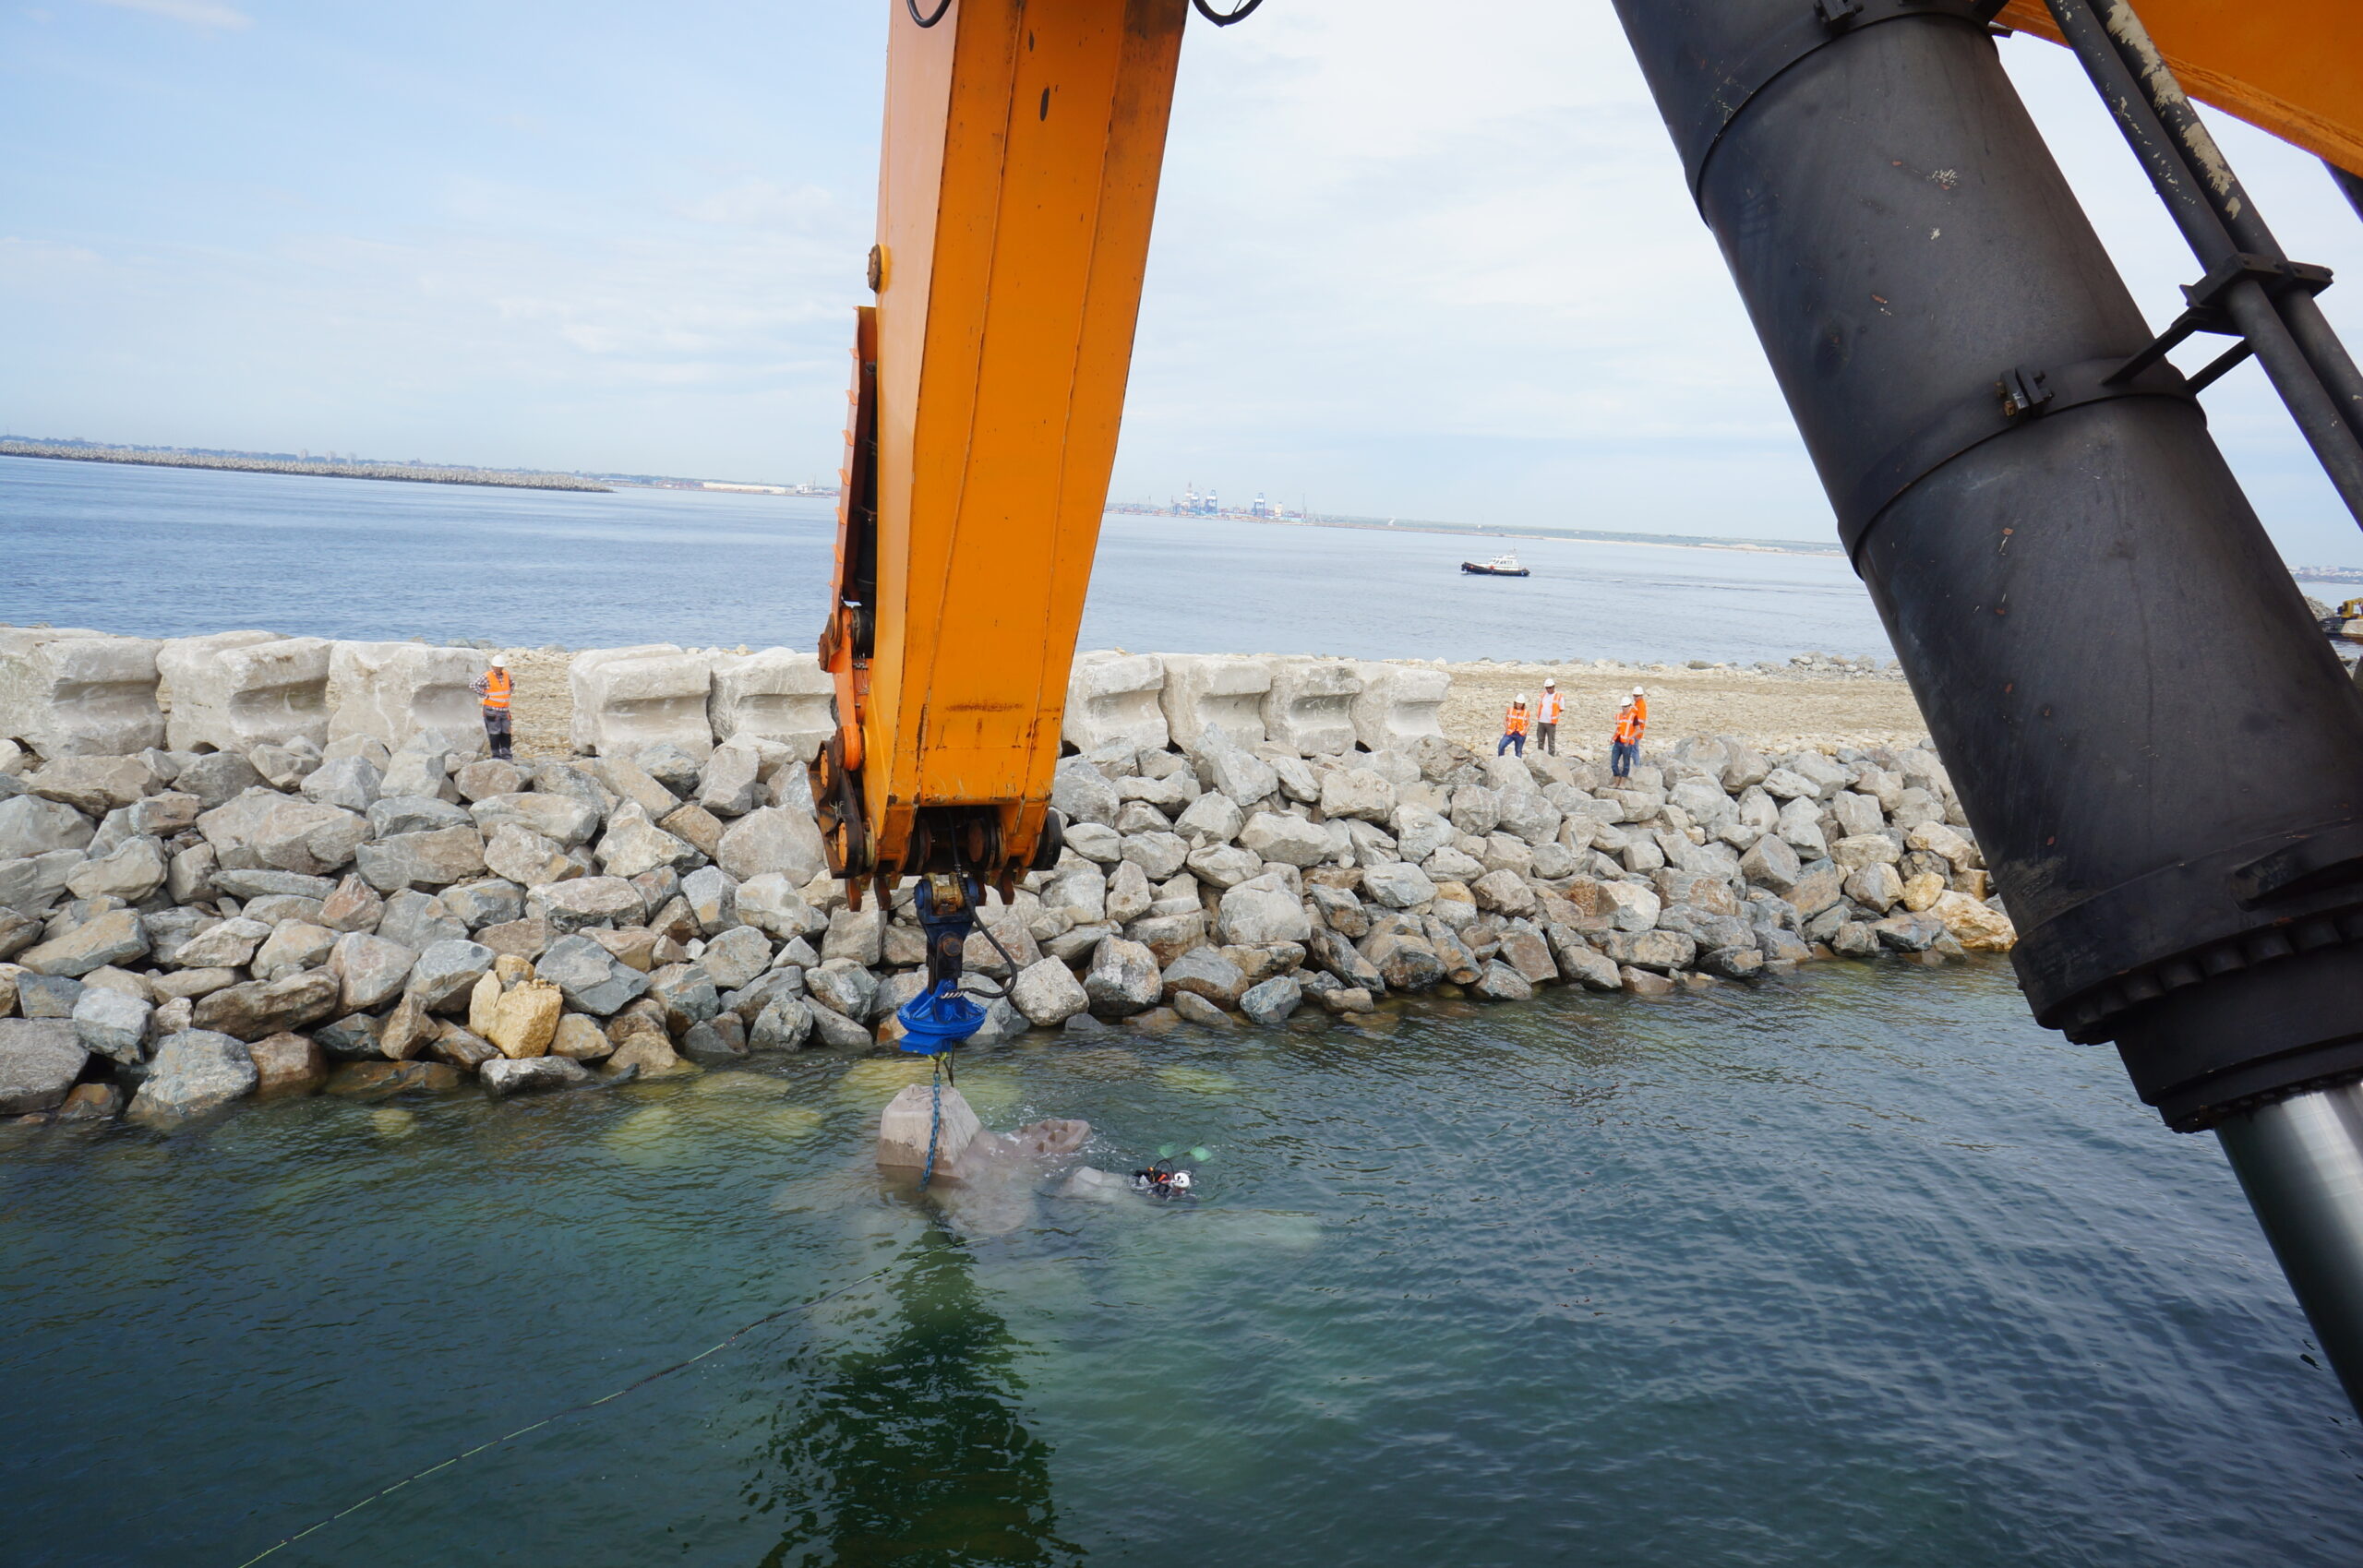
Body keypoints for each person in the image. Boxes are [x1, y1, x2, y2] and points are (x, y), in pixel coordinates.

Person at [471, 655, 514, 760]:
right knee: (494, 733)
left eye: (500, 667)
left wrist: (507, 695)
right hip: (492, 710)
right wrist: (485, 695)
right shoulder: (487, 676)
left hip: (504, 710)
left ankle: (506, 754)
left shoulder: (506, 675)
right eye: (497, 667)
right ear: (492, 666)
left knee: (506, 732)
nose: (498, 669)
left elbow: (512, 684)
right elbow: (473, 685)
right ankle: (496, 755)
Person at [1611, 685, 1647, 781]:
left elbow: (1640, 720)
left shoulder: (1641, 705)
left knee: (1634, 750)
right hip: (1628, 735)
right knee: (1632, 752)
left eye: (1636, 696)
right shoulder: (1637, 704)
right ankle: (1634, 766)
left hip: (1635, 732)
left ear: (1641, 695)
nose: (1634, 697)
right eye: (1634, 696)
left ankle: (1636, 766)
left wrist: (1634, 727)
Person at [1534, 678, 1563, 755]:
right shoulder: (1543, 695)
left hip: (1551, 722)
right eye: (1547, 688)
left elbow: (1561, 708)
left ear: (1553, 687)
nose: (1548, 689)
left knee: (1551, 741)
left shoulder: (1558, 696)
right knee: (1540, 739)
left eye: (1550, 688)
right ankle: (1540, 755)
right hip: (1541, 721)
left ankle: (1551, 756)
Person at [1498, 693, 1531, 758]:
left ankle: (1518, 765)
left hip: (1520, 734)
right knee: (1501, 745)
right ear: (1515, 703)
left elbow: (1529, 723)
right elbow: (1505, 720)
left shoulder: (1525, 712)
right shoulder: (1510, 710)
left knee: (1518, 751)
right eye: (1518, 703)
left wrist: (1525, 732)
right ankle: (1501, 760)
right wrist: (1507, 728)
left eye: (1521, 703)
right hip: (1510, 732)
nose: (1519, 705)